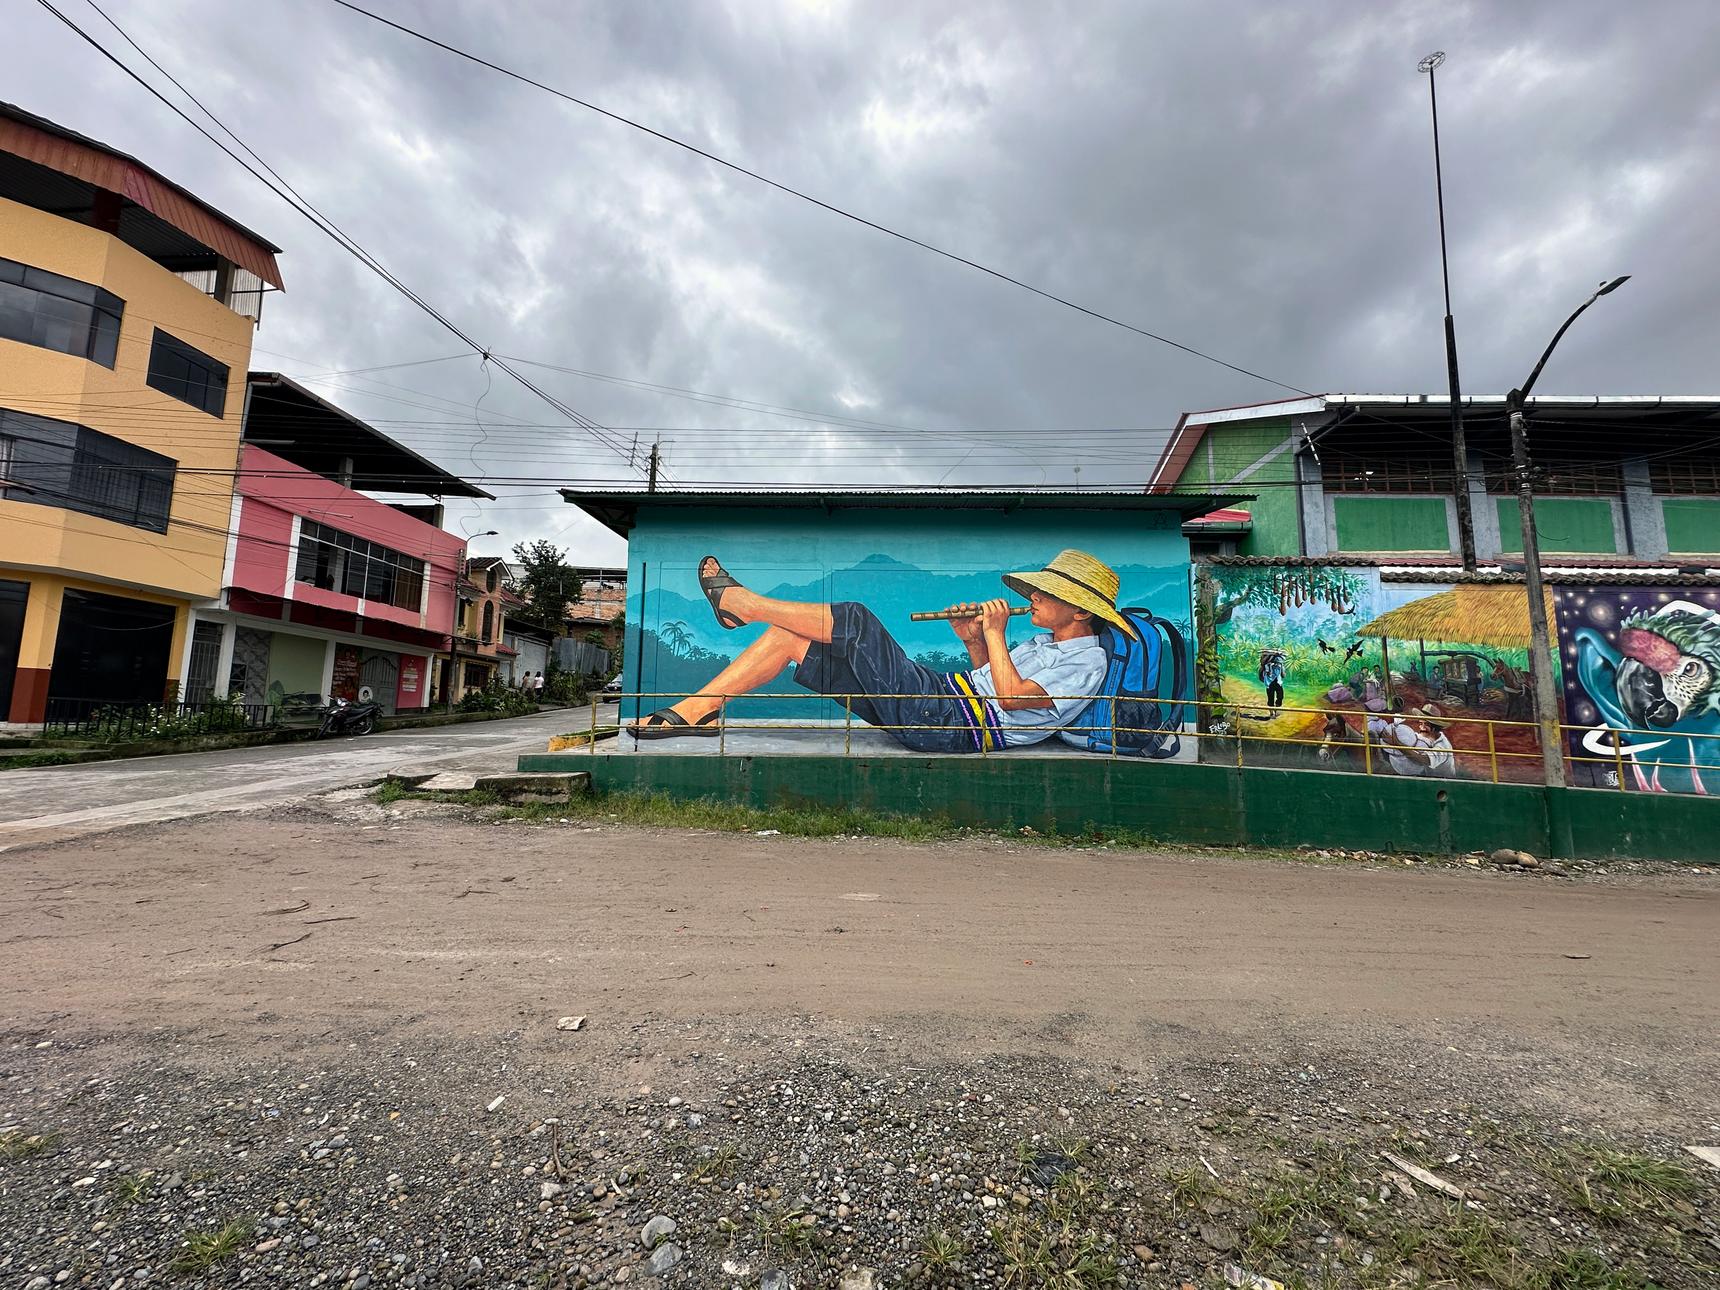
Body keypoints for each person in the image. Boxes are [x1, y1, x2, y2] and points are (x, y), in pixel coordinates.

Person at [626, 549, 1130, 753]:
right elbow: (991, 679)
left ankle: (743, 604)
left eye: (1044, 595)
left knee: (856, 618)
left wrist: (996, 634)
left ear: (1081, 611)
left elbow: (1015, 701)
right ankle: (700, 709)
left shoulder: (1088, 661)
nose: (1032, 598)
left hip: (955, 722)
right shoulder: (1045, 641)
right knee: (794, 639)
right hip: (944, 697)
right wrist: (975, 639)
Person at [1367, 703, 1455, 777]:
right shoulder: (1424, 736)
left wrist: (1397, 743)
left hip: (1441, 781)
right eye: (1421, 723)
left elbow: (1424, 760)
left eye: (1426, 724)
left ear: (1435, 727)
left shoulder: (1443, 746)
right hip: (1425, 777)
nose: (1422, 727)